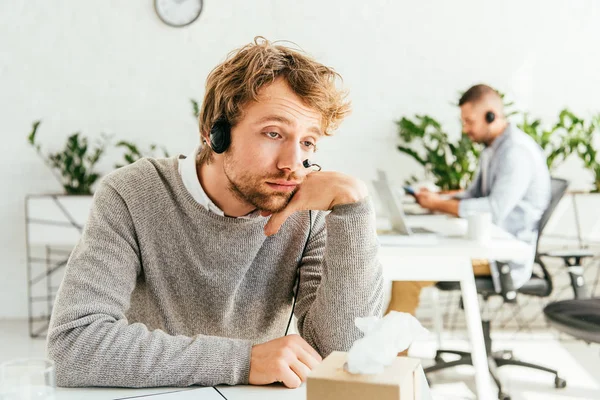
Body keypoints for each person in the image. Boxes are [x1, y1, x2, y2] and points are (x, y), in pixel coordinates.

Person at [47, 37, 384, 389]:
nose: (293, 165)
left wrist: (355, 208)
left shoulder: (306, 211)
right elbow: (74, 344)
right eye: (273, 133)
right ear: (215, 134)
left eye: (307, 142)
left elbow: (344, 355)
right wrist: (243, 361)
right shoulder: (132, 194)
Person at [386, 84, 551, 318]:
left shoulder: (516, 152)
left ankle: (389, 355)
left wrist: (437, 204)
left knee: (410, 274)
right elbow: (473, 196)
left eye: (469, 121)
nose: (465, 129)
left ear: (491, 115)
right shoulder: (492, 149)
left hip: (500, 256)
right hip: (482, 243)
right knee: (412, 263)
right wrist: (438, 197)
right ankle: (391, 352)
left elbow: (493, 209)